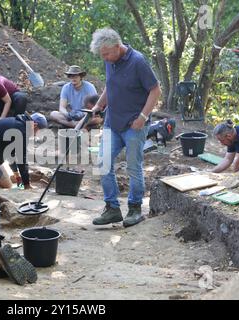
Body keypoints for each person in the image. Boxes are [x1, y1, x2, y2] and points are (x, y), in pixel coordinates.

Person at [89, 28, 161, 228]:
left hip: (134, 124)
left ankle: (135, 208)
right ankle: (112, 208)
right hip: (113, 122)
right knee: (103, 163)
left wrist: (143, 116)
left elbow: (155, 90)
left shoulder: (138, 61)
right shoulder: (109, 60)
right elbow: (109, 86)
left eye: (106, 54)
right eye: (102, 55)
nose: (104, 58)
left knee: (132, 166)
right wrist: (99, 105)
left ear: (117, 46)